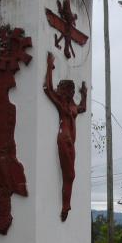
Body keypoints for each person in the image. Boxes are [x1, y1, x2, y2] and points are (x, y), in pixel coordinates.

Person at [43, 52, 87, 221]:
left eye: (67, 90)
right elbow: (47, 88)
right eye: (65, 89)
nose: (65, 92)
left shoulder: (72, 105)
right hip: (63, 139)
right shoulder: (61, 104)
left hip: (70, 143)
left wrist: (85, 94)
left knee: (70, 175)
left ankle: (66, 205)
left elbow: (82, 107)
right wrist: (49, 66)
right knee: (70, 175)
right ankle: (65, 206)